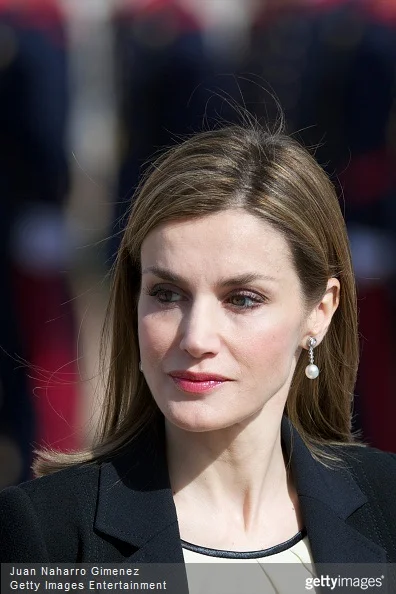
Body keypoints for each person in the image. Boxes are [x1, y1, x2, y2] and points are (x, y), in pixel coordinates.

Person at [1, 123, 395, 588]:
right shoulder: (47, 536)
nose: (195, 337)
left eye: (242, 298)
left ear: (319, 312)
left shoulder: (386, 504)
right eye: (167, 294)